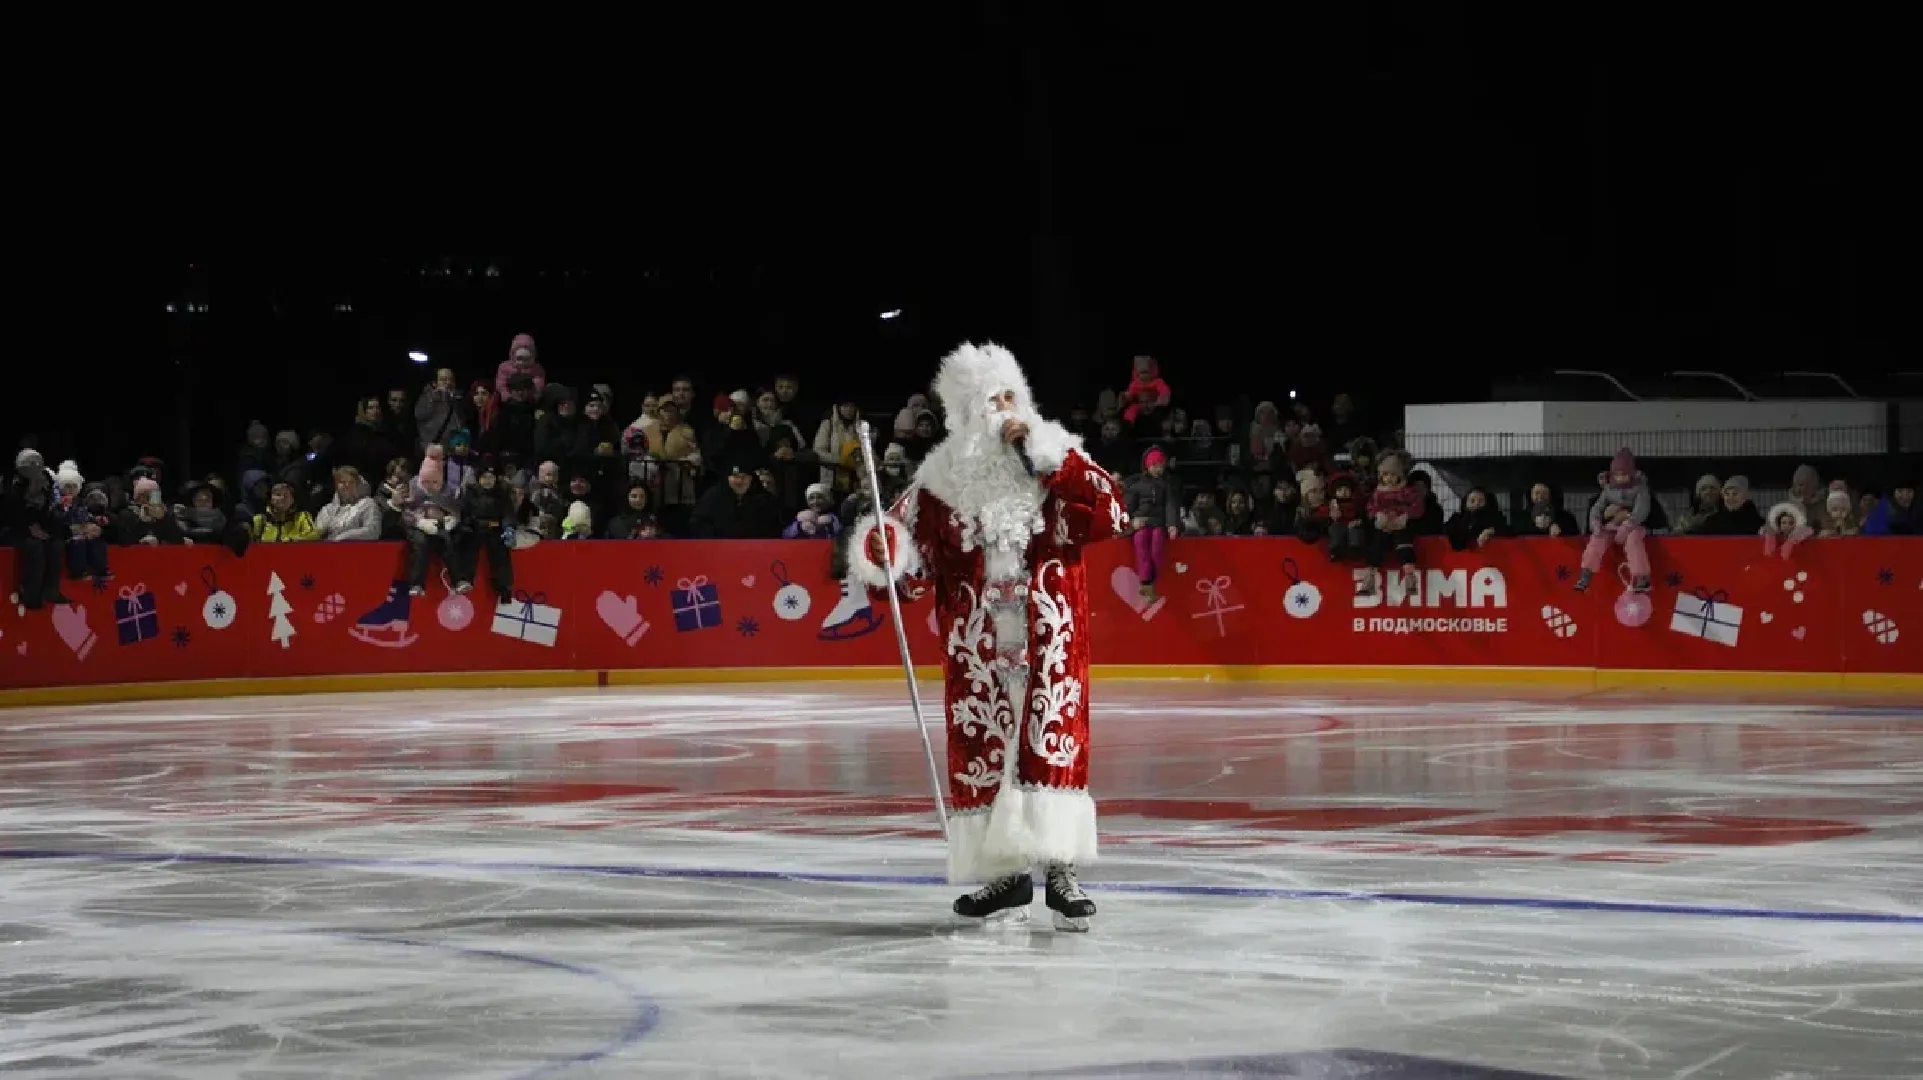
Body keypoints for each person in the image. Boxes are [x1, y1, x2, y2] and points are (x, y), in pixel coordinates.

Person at [848, 343, 1128, 931]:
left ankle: (1060, 872)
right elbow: (904, 573)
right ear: (965, 416)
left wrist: (1053, 458)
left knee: (1050, 751)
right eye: (988, 402)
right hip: (975, 650)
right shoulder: (936, 485)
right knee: (985, 755)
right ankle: (1004, 876)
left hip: (1050, 639)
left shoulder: (1057, 461)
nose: (1003, 412)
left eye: (1009, 397)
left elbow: (1110, 515)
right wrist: (883, 553)